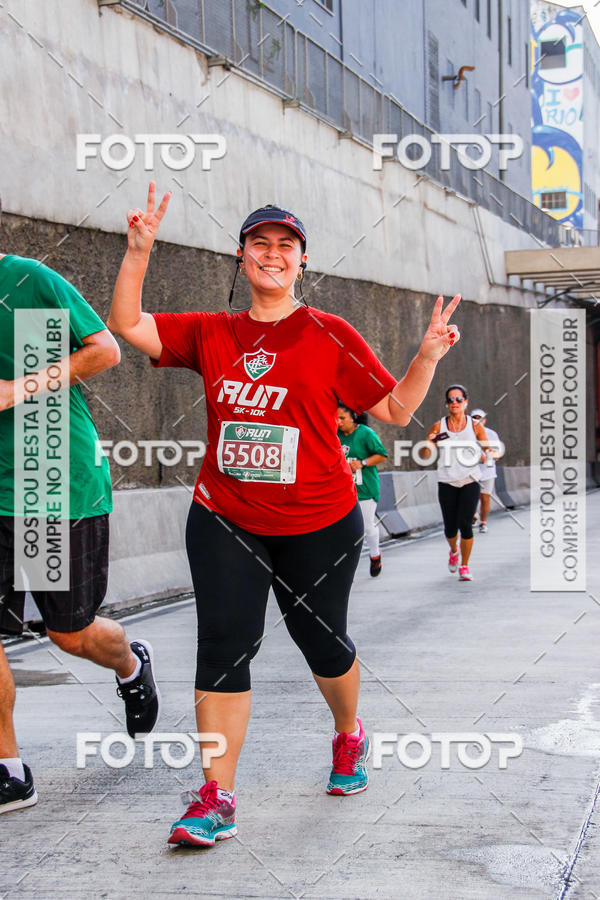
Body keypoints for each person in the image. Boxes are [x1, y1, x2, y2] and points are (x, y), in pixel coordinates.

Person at [108, 183, 461, 847]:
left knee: (322, 646)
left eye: (286, 246)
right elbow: (129, 325)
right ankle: (217, 795)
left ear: (301, 262)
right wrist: (138, 251)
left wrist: (427, 357)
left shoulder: (328, 333)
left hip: (320, 521)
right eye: (260, 244)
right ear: (242, 257)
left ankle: (348, 735)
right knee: (222, 644)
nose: (273, 254)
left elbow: (392, 411)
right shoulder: (212, 331)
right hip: (226, 515)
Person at [0, 197, 160, 815]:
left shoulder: (27, 282)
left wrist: (19, 388)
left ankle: (129, 662)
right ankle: (10, 768)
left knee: (68, 634)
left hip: (49, 478)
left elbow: (105, 350)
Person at [421, 385, 489, 581]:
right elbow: (426, 455)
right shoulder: (439, 427)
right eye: (451, 400)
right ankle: (453, 551)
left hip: (470, 479)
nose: (455, 403)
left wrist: (485, 456)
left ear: (466, 402)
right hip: (447, 480)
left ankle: (465, 566)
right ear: (446, 404)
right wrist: (429, 442)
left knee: (465, 524)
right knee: (450, 527)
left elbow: (489, 451)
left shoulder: (475, 426)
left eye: (459, 399)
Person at [337, 404, 387, 576]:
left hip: (365, 488)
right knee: (342, 531)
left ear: (353, 417)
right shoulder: (335, 435)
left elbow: (382, 454)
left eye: (342, 418)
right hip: (342, 490)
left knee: (366, 526)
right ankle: (345, 569)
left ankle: (375, 555)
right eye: (336, 418)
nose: (339, 422)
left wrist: (362, 463)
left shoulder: (365, 433)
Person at [471, 408, 501, 533]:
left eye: (480, 418)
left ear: (484, 420)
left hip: (488, 471)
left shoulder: (492, 434)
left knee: (485, 498)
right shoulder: (466, 434)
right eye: (475, 418)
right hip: (471, 471)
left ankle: (483, 522)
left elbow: (497, 454)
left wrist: (488, 457)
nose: (477, 420)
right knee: (472, 497)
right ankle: (473, 516)